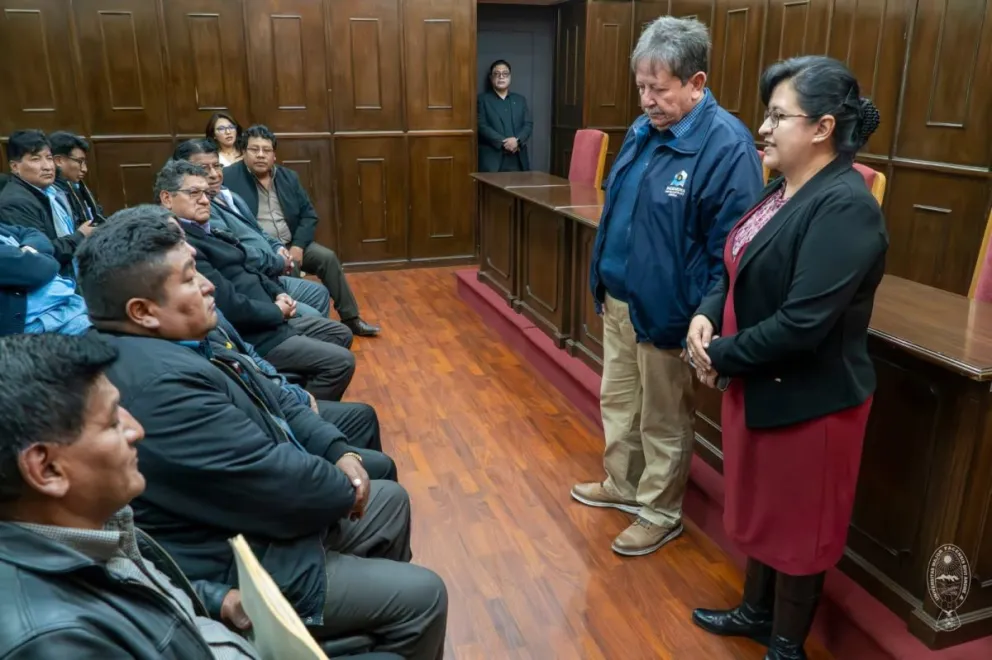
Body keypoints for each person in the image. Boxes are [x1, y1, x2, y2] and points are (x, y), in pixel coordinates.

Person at [74, 214, 448, 659]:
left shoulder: (179, 337)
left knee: (388, 500)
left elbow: (277, 397)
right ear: (143, 311)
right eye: (191, 278)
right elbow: (272, 481)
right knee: (424, 594)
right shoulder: (158, 387)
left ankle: (364, 598)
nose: (208, 285)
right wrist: (341, 486)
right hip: (242, 559)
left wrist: (336, 450)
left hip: (264, 523)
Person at [687, 56, 887, 660]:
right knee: (767, 513)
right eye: (766, 114)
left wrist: (719, 354)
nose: (764, 128)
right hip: (761, 385)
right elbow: (737, 263)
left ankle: (785, 644)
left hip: (812, 402)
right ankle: (755, 612)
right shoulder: (783, 188)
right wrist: (706, 309)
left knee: (801, 528)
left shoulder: (846, 206)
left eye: (778, 116)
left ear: (822, 128)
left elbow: (802, 325)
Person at [570, 17, 764, 557]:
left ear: (697, 83)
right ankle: (623, 484)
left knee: (663, 416)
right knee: (619, 399)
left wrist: (702, 311)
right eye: (641, 87)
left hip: (670, 310)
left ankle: (659, 508)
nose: (647, 100)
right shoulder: (641, 131)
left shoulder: (727, 146)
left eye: (659, 88)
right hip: (620, 297)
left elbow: (730, 248)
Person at [0, 333, 258, 658]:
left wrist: (213, 599)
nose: (136, 429)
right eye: (111, 422)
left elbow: (132, 595)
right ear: (48, 469)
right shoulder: (59, 643)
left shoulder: (92, 528)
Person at [153, 160, 356, 402]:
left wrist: (276, 292)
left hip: (271, 319)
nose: (205, 200)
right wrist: (276, 311)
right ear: (167, 199)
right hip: (256, 336)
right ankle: (300, 414)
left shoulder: (208, 230)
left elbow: (248, 268)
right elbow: (229, 305)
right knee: (341, 362)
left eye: (206, 193)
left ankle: (301, 397)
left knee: (340, 333)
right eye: (194, 193)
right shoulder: (184, 246)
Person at [223, 125, 380, 337]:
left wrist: (297, 246)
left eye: (266, 150)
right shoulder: (229, 179)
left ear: (274, 155)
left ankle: (351, 318)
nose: (260, 155)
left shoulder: (289, 178)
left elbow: (309, 215)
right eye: (254, 149)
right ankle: (299, 328)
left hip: (293, 242)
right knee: (290, 268)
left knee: (328, 258)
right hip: (262, 248)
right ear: (244, 152)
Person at [172, 138, 332, 318]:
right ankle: (294, 338)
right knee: (314, 316)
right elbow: (236, 251)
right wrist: (279, 262)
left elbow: (259, 231)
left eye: (217, 166)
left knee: (319, 291)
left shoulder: (228, 194)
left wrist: (278, 247)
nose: (214, 174)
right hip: (253, 279)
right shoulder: (201, 208)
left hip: (271, 272)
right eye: (204, 169)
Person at [0, 130, 95, 278]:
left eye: (49, 158)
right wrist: (80, 235)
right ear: (15, 167)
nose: (47, 166)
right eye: (36, 159)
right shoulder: (15, 202)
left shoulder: (50, 191)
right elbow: (39, 255)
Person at [0, 222, 90, 336]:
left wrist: (30, 251)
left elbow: (32, 232)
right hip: (40, 327)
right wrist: (42, 256)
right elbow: (33, 270)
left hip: (68, 308)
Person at [477, 59, 533, 172]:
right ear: (491, 77)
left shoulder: (520, 100)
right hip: (493, 160)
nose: (501, 77)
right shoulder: (482, 100)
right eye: (497, 74)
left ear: (510, 77)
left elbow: (528, 124)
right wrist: (504, 142)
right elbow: (481, 125)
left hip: (518, 159)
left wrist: (517, 141)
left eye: (505, 74)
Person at [50, 131, 106, 226]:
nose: (85, 169)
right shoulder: (52, 194)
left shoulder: (78, 187)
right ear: (59, 161)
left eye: (85, 162)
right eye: (79, 161)